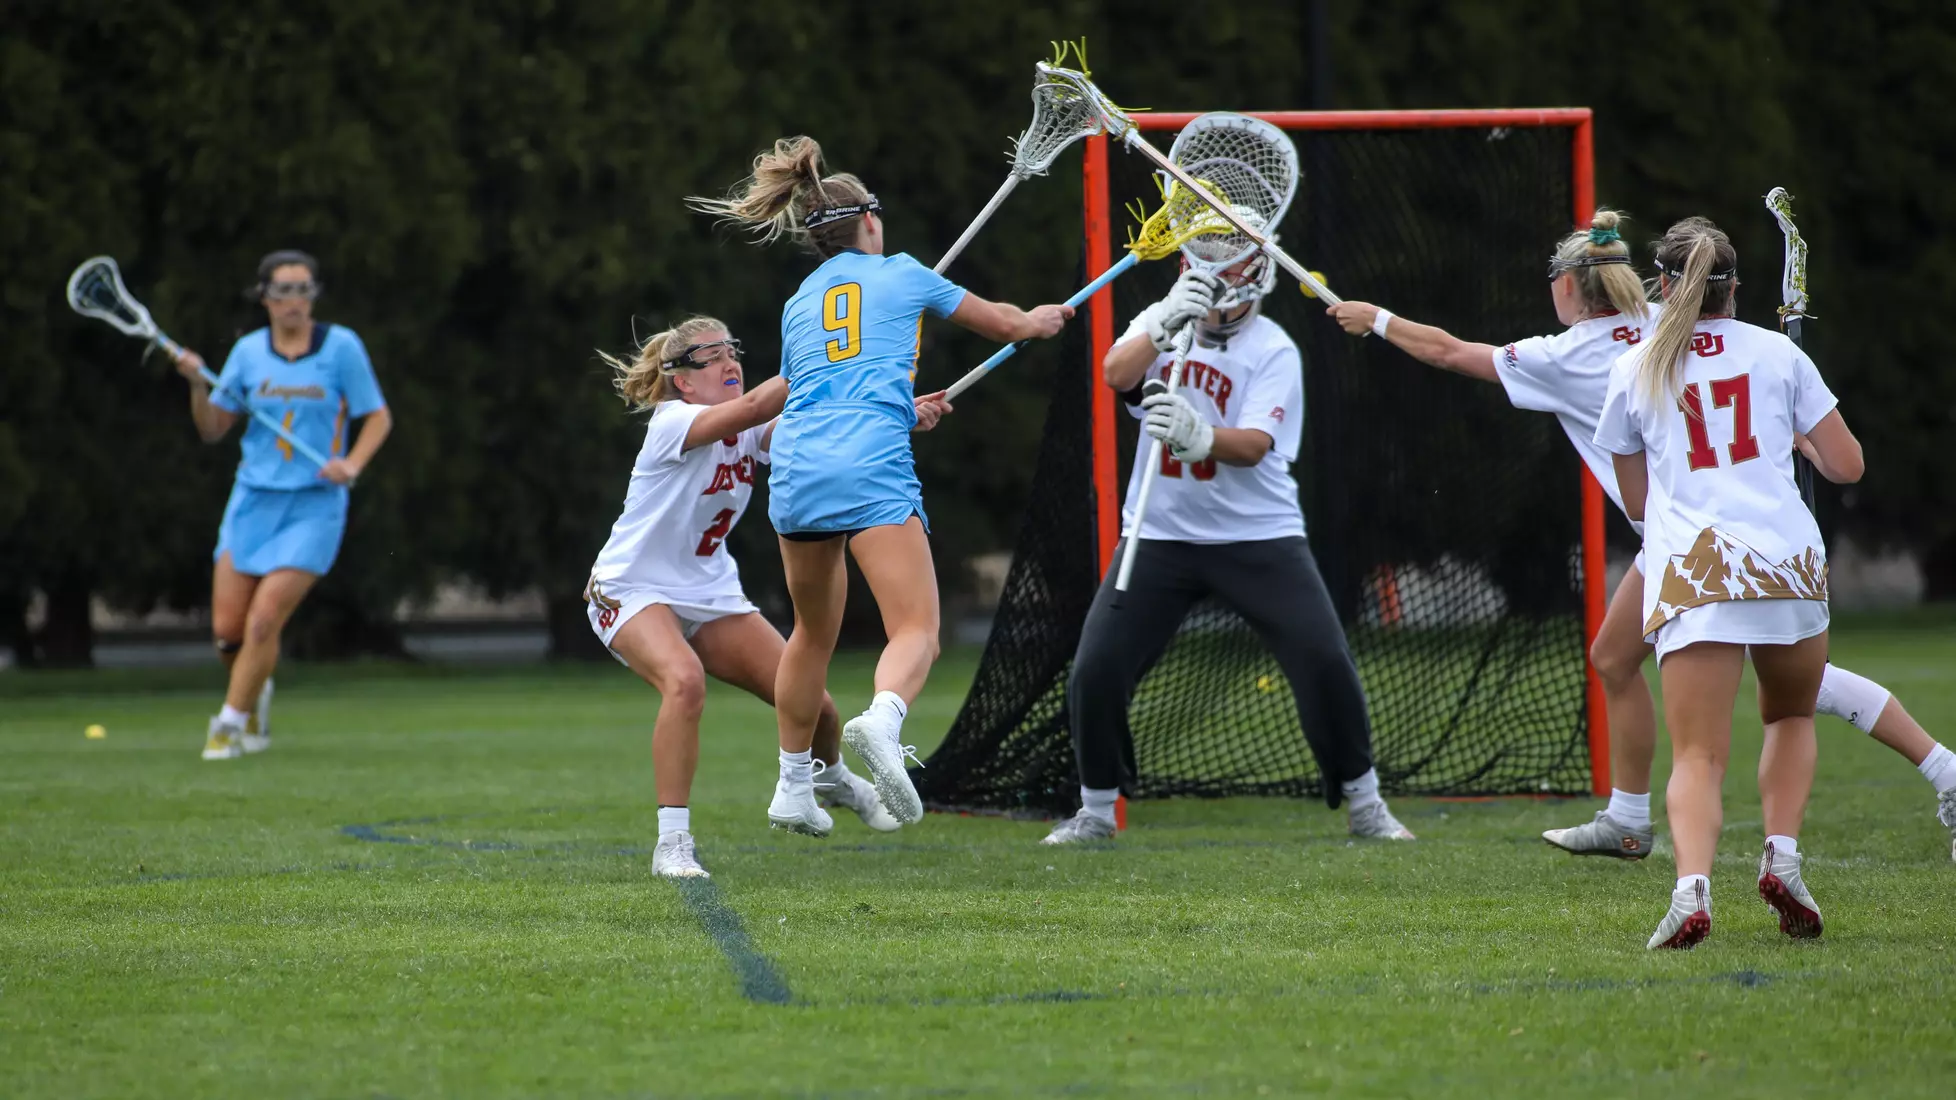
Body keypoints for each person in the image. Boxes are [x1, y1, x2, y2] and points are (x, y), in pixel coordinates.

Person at [1327, 211, 1956, 862]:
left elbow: (1449, 352)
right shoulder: (1672, 322)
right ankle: (1628, 818)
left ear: (1568, 288)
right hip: (1734, 536)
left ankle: (1938, 771)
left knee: (1792, 690)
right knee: (1619, 657)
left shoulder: (1569, 356)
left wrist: (1374, 318)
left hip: (1687, 543)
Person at [688, 136, 1072, 827]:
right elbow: (1004, 323)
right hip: (868, 463)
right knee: (917, 628)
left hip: (802, 465)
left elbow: (828, 381)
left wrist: (906, 408)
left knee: (809, 635)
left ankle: (793, 788)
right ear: (871, 221)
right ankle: (883, 722)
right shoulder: (904, 272)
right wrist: (1040, 321)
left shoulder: (801, 298)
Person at [1042, 235, 1416, 846]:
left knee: (1324, 662)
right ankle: (1096, 812)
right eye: (1207, 253)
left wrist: (1198, 435)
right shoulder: (1166, 316)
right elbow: (1116, 373)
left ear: (1257, 272)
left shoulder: (1274, 350)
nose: (1216, 272)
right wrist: (1163, 321)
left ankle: (1366, 805)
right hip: (1159, 531)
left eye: (1232, 256)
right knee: (1097, 669)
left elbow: (1255, 448)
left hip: (1256, 536)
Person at [586, 316, 946, 877]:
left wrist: (894, 416)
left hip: (709, 590)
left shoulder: (752, 427)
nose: (730, 363)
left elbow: (821, 431)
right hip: (632, 588)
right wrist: (817, 358)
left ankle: (830, 779)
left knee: (815, 707)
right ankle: (672, 844)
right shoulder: (673, 421)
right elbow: (757, 407)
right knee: (684, 682)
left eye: (734, 351)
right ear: (683, 379)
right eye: (713, 358)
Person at [1588, 216, 1862, 947]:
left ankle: (1691, 892)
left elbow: (1639, 503)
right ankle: (1784, 858)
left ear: (1665, 286)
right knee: (1791, 717)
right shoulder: (1778, 354)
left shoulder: (1637, 365)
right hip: (1787, 565)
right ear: (1734, 287)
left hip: (1697, 570)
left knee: (1700, 755)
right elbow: (1847, 466)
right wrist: (1801, 438)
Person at [171, 250, 391, 761]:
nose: (293, 301)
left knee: (264, 620)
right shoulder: (248, 353)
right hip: (251, 503)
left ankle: (228, 726)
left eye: (303, 290)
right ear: (265, 297)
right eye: (283, 291)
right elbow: (212, 429)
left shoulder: (341, 349)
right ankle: (253, 692)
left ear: (313, 296)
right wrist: (198, 385)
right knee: (228, 633)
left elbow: (377, 417)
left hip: (314, 506)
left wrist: (351, 464)